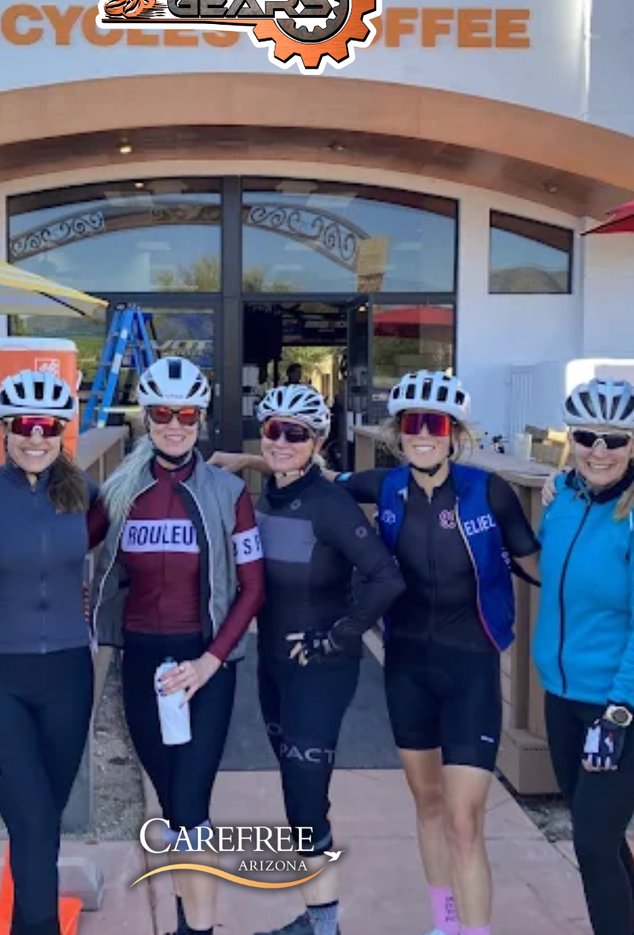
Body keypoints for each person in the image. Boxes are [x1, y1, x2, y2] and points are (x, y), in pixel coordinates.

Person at [211, 370, 540, 935]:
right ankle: (445, 924)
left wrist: (573, 499)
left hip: (471, 666)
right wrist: (248, 461)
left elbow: (540, 567)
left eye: (435, 425)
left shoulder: (490, 492)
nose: (423, 434)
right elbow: (314, 469)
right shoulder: (386, 486)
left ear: (455, 434)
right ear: (398, 431)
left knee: (464, 821)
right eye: (412, 423)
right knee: (428, 806)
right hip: (407, 664)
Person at [88, 357, 265, 935]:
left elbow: (253, 587)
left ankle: (199, 929)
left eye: (186, 415)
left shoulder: (228, 492)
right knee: (171, 802)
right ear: (146, 418)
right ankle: (191, 922)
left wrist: (210, 662)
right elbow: (64, 541)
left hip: (205, 661)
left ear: (200, 419)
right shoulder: (121, 491)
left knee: (190, 808)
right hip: (141, 658)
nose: (174, 425)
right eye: (162, 413)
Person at [250, 384, 406, 935]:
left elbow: (387, 578)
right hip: (271, 663)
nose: (283, 441)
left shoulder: (330, 503)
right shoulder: (265, 497)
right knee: (302, 797)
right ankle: (318, 917)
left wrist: (340, 635)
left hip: (321, 669)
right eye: (274, 430)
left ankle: (324, 926)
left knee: (304, 800)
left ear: (317, 442)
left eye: (297, 433)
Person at [0, 370, 99, 935]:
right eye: (25, 425)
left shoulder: (85, 493)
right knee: (32, 820)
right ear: (5, 429)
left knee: (43, 822)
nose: (36, 436)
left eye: (49, 426)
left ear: (62, 432)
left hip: (68, 672)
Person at [533, 377, 634, 935]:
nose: (599, 451)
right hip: (560, 695)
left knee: (594, 843)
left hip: (620, 705)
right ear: (570, 440)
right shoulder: (562, 498)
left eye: (615, 439)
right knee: (598, 842)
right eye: (586, 437)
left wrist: (618, 711)